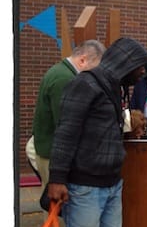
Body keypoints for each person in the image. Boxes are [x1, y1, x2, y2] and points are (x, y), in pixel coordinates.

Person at [46, 37, 147, 227]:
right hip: (85, 186)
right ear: (125, 63)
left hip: (112, 183)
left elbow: (103, 129)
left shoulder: (113, 88)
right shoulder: (85, 83)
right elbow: (66, 133)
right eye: (139, 68)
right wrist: (57, 178)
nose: (142, 73)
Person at [29, 39, 106, 189]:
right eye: (95, 68)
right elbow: (66, 121)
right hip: (53, 154)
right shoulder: (66, 79)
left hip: (49, 149)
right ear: (83, 60)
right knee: (58, 204)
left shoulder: (60, 72)